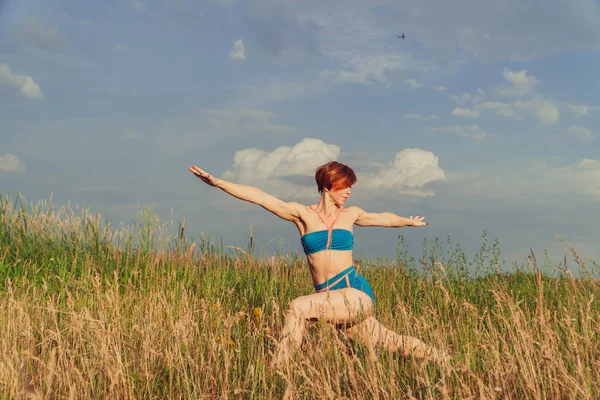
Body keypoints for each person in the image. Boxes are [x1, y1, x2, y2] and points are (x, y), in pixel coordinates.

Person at [189, 161, 446, 391]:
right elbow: (261, 197)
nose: (349, 191)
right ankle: (445, 360)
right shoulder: (302, 215)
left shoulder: (351, 214)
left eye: (350, 187)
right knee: (390, 341)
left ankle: (276, 376)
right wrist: (218, 182)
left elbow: (382, 218)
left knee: (298, 307)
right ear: (327, 185)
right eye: (344, 186)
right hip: (330, 298)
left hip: (355, 292)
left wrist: (408, 222)